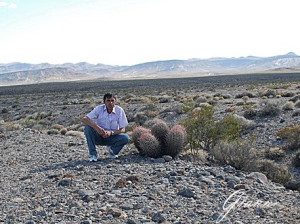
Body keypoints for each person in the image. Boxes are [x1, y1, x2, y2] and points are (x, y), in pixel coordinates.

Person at [82, 93, 129, 161]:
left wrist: (111, 133)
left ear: (115, 101)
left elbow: (123, 129)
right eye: (108, 100)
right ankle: (93, 155)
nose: (110, 103)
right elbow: (85, 119)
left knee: (125, 138)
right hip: (99, 136)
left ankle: (112, 151)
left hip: (112, 137)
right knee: (87, 128)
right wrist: (97, 128)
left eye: (112, 100)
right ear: (104, 102)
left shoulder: (119, 110)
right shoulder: (99, 109)